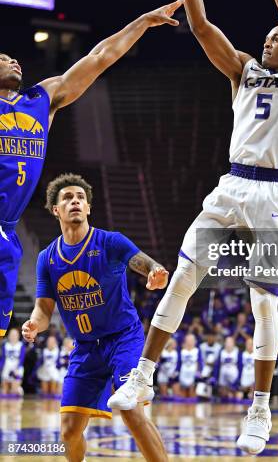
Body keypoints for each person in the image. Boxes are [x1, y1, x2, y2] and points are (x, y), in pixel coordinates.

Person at [109, 0, 278, 456]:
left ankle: (260, 407)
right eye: (268, 36)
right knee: (183, 274)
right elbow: (203, 26)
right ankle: (143, 376)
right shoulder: (244, 72)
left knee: (263, 304)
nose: (271, 40)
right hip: (232, 185)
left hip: (277, 193)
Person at [0, 0, 183, 339]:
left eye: (14, 58)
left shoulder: (41, 100)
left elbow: (99, 58)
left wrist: (141, 21)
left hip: (7, 234)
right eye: (2, 59)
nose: (12, 61)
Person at [21, 173, 170, 462]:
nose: (75, 201)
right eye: (67, 198)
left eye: (80, 198)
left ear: (88, 207)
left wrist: (155, 272)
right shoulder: (47, 258)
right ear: (56, 210)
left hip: (123, 338)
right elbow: (44, 308)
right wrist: (34, 324)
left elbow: (144, 262)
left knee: (130, 409)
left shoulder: (110, 242)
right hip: (85, 347)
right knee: (68, 431)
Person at [0, 327, 25, 396]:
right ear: (8, 336)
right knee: (4, 391)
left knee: (13, 391)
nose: (13, 336)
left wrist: (17, 369)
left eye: (15, 335)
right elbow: (3, 359)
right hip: (7, 367)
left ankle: (19, 390)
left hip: (17, 368)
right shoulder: (5, 346)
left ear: (18, 336)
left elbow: (21, 359)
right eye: (11, 335)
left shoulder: (21, 345)